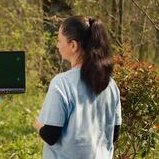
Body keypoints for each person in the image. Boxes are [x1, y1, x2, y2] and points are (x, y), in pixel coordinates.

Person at [33, 15, 122, 159]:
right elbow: (114, 133)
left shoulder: (61, 83)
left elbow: (50, 135)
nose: (57, 45)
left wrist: (37, 125)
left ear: (73, 45)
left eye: (59, 40)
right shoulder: (111, 85)